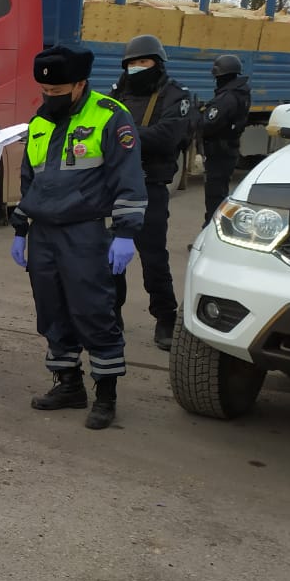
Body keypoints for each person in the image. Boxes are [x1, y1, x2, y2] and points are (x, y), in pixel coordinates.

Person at [10, 44, 147, 430]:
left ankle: (106, 395)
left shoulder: (109, 117)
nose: (49, 98)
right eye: (44, 92)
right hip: (44, 235)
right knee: (52, 312)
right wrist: (20, 227)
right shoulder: (40, 121)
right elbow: (31, 181)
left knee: (94, 311)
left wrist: (125, 234)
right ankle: (68, 384)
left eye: (57, 92)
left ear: (80, 84)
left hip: (87, 233)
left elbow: (129, 180)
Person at [110, 34, 191, 351]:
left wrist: (124, 135)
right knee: (112, 257)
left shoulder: (175, 95)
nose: (136, 68)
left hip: (150, 187)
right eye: (131, 62)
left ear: (157, 63)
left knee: (153, 257)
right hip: (115, 186)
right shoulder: (117, 93)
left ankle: (165, 317)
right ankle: (111, 315)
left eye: (143, 62)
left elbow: (167, 136)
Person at [199, 54, 251, 225]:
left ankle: (210, 234)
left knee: (215, 197)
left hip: (219, 152)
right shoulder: (240, 92)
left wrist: (197, 116)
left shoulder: (227, 97)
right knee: (218, 194)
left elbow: (208, 124)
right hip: (228, 149)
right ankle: (209, 230)